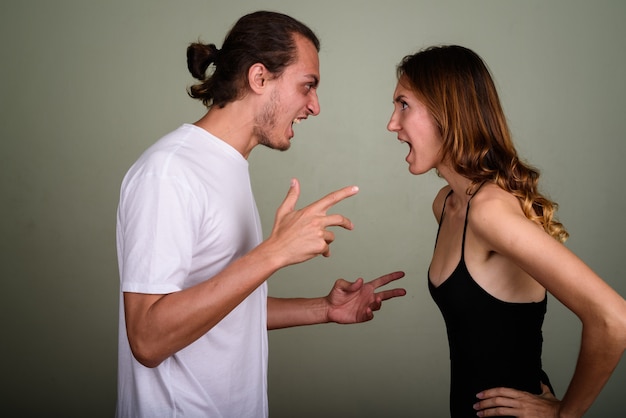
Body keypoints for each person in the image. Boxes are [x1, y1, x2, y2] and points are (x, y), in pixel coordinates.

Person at [115, 11, 406, 418]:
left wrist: (323, 308)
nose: (315, 106)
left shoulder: (227, 166)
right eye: (307, 87)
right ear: (259, 78)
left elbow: (226, 309)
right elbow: (147, 338)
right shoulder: (170, 172)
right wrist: (274, 252)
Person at [387, 44, 626, 417]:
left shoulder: (489, 213)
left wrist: (566, 414)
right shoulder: (447, 203)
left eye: (404, 105)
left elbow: (613, 318)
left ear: (446, 113)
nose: (392, 123)